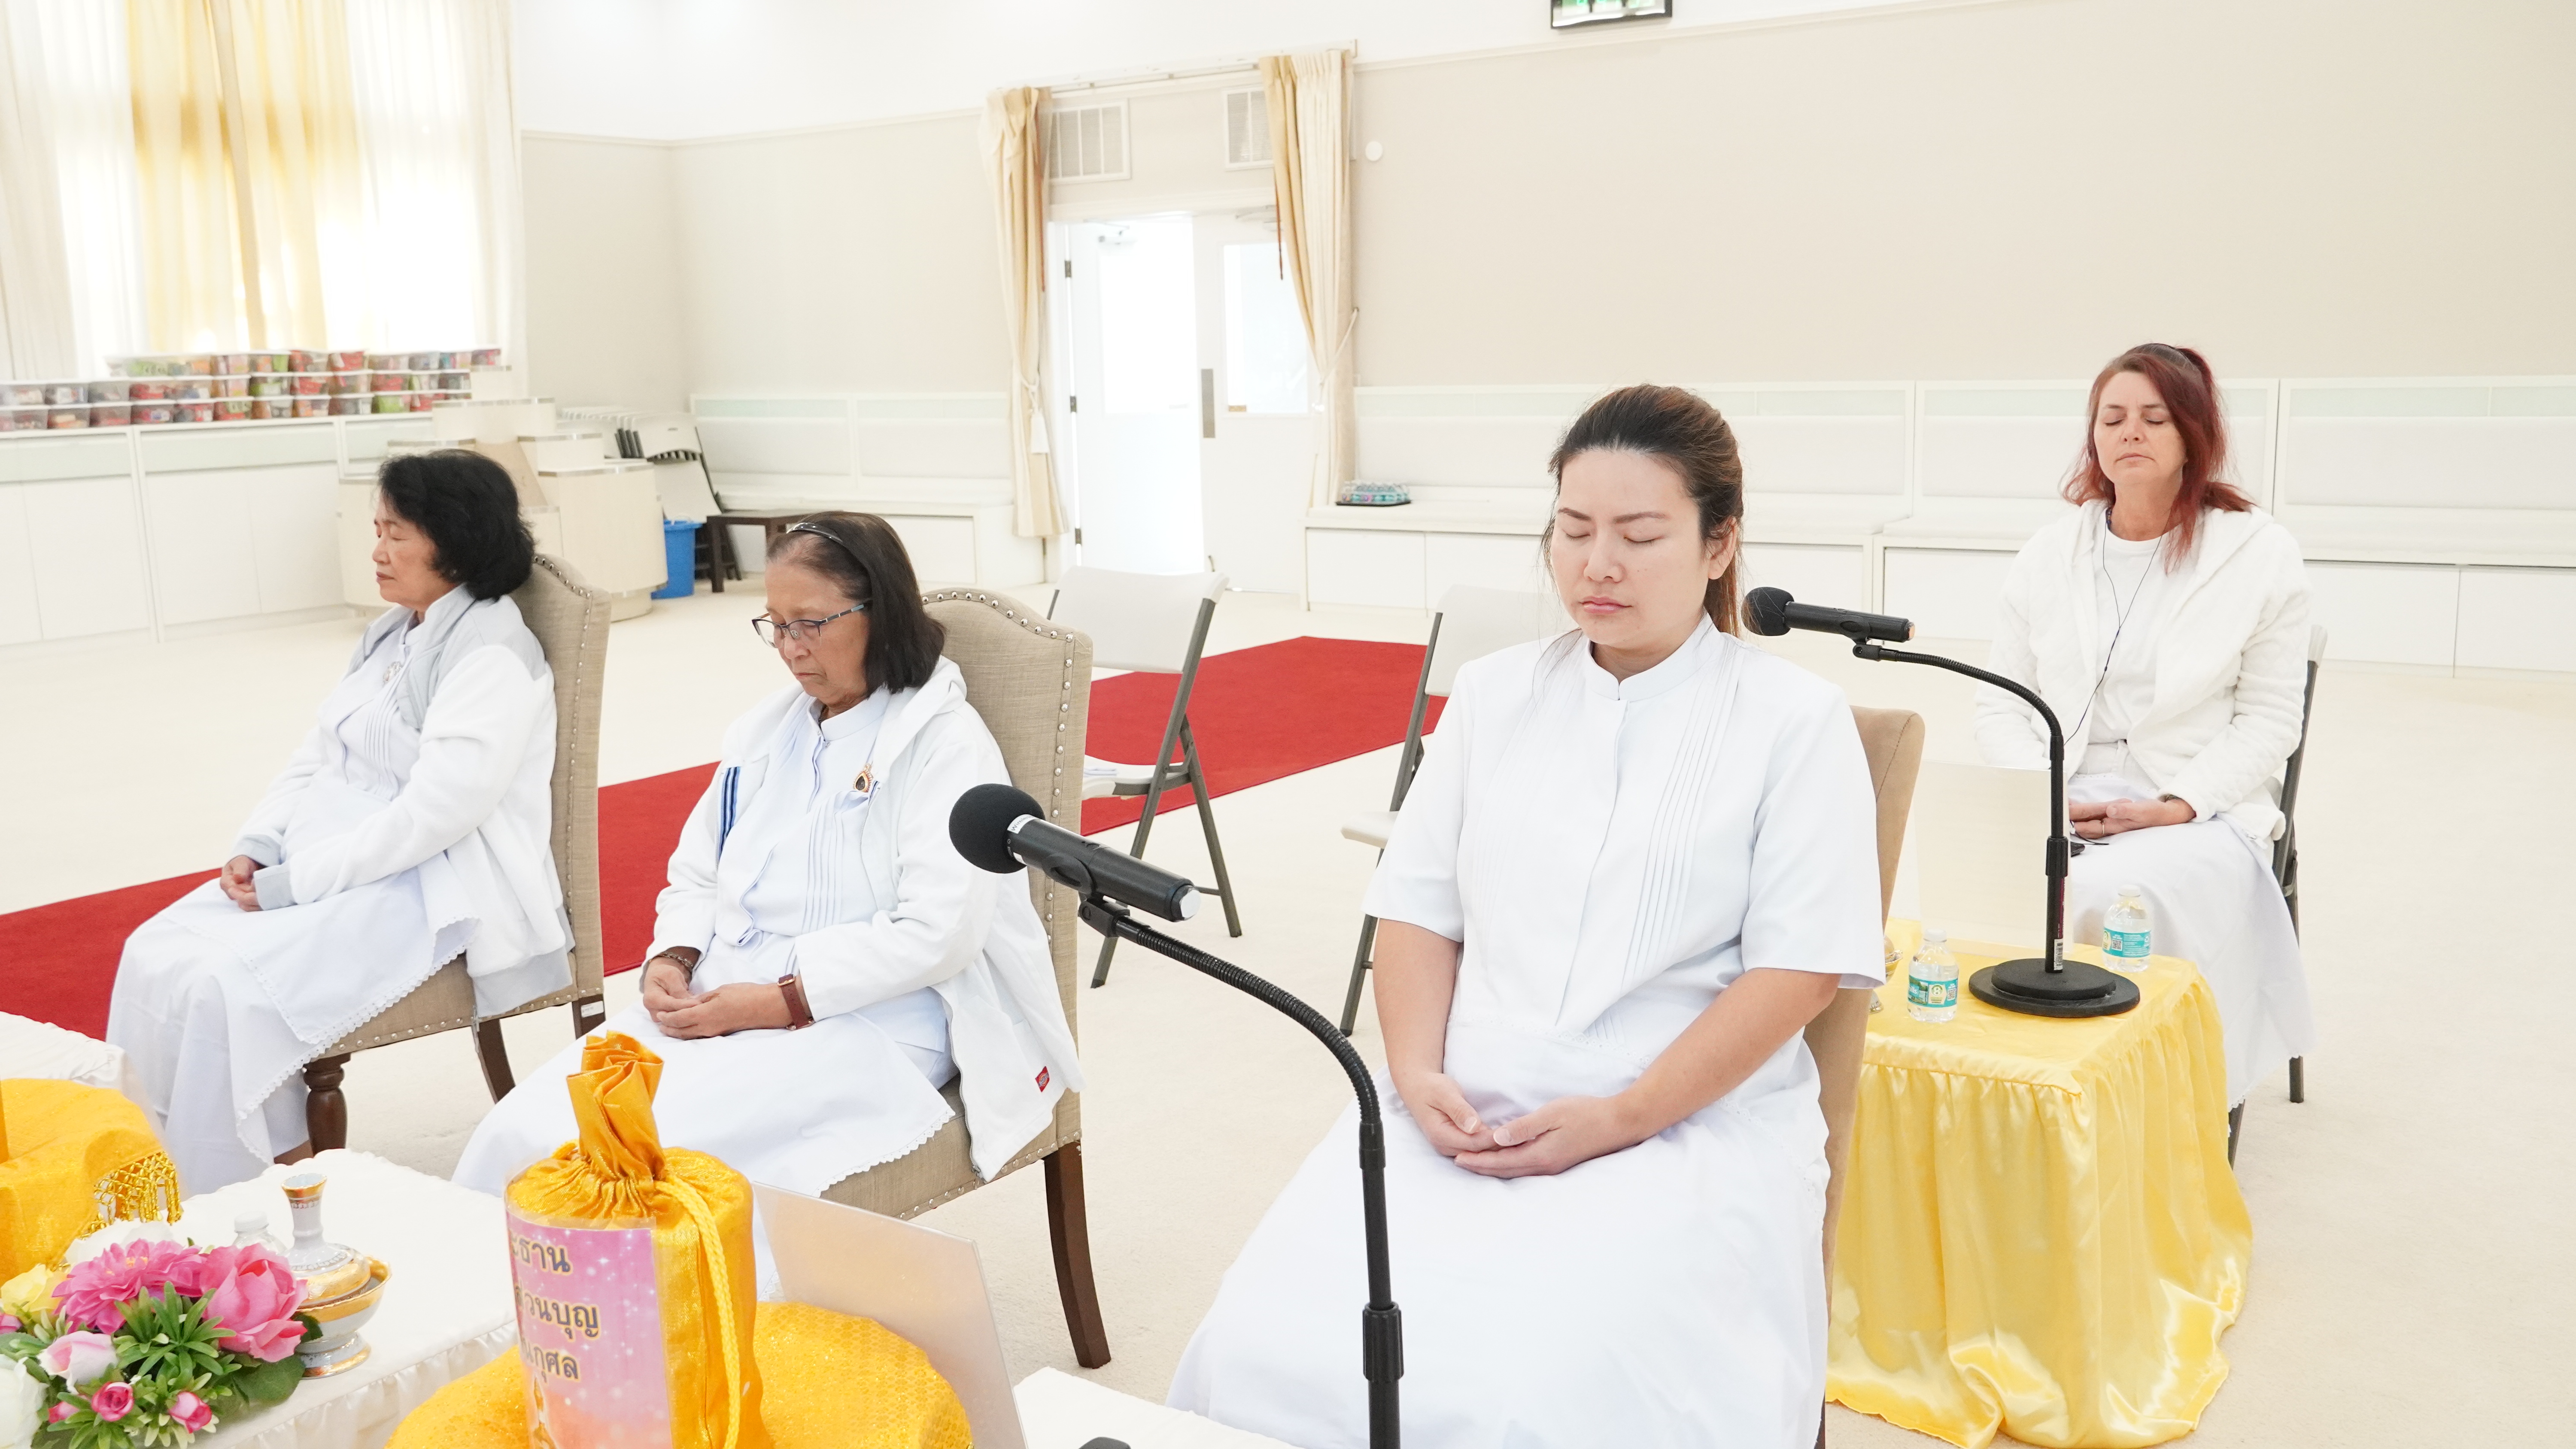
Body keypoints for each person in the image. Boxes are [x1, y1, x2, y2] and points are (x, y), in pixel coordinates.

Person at [1169, 386, 1884, 1447]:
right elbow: (1416, 907)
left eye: (1640, 534)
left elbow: (1802, 969)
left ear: (1719, 543)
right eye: (1574, 529)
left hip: (1679, 1122)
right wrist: (1415, 1075)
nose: (1598, 564)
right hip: (1464, 1103)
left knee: (1521, 1399)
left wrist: (1624, 1115)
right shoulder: (1495, 692)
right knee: (1258, 1350)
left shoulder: (1794, 720)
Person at [454, 512, 1081, 1225]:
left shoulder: (945, 745)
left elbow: (940, 934)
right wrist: (675, 955)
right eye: (775, 626)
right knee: (521, 1131)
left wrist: (774, 1003)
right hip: (724, 991)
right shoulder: (765, 732)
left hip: (873, 1018)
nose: (789, 649)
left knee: (648, 1162)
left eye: (809, 624)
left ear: (880, 612)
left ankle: (664, 1299)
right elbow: (697, 871)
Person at [109, 451, 566, 1193]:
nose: (377, 551)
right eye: (376, 531)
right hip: (331, 857)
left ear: (455, 542)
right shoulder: (393, 633)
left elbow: (437, 815)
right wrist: (261, 842)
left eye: (396, 534)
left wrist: (298, 883)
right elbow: (321, 752)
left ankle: (255, 1191)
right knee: (153, 951)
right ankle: (159, 1182)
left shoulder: (490, 653)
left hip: (433, 884)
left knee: (225, 985)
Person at [1974, 342, 2316, 1103]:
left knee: (2111, 893)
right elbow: (2001, 701)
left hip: (2195, 806)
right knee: (1958, 872)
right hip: (2060, 794)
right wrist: (2041, 797)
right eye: (2113, 418)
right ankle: (2008, 1089)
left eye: (2155, 418)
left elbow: (2269, 720)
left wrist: (2177, 804)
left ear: (2194, 435)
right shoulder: (2049, 553)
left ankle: (2138, 1099)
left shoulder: (2259, 553)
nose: (2130, 432)